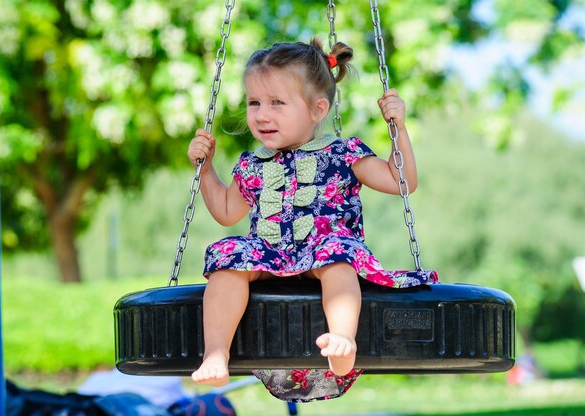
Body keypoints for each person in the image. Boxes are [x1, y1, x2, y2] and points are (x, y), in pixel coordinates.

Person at [187, 38, 438, 402]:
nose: (261, 114)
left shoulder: (343, 152)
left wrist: (397, 126)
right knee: (228, 256)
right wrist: (206, 170)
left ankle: (343, 341)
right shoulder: (252, 164)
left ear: (318, 109)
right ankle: (216, 353)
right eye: (254, 102)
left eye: (276, 103)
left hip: (325, 251)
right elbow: (227, 212)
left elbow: (403, 181)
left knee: (338, 253)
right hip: (270, 257)